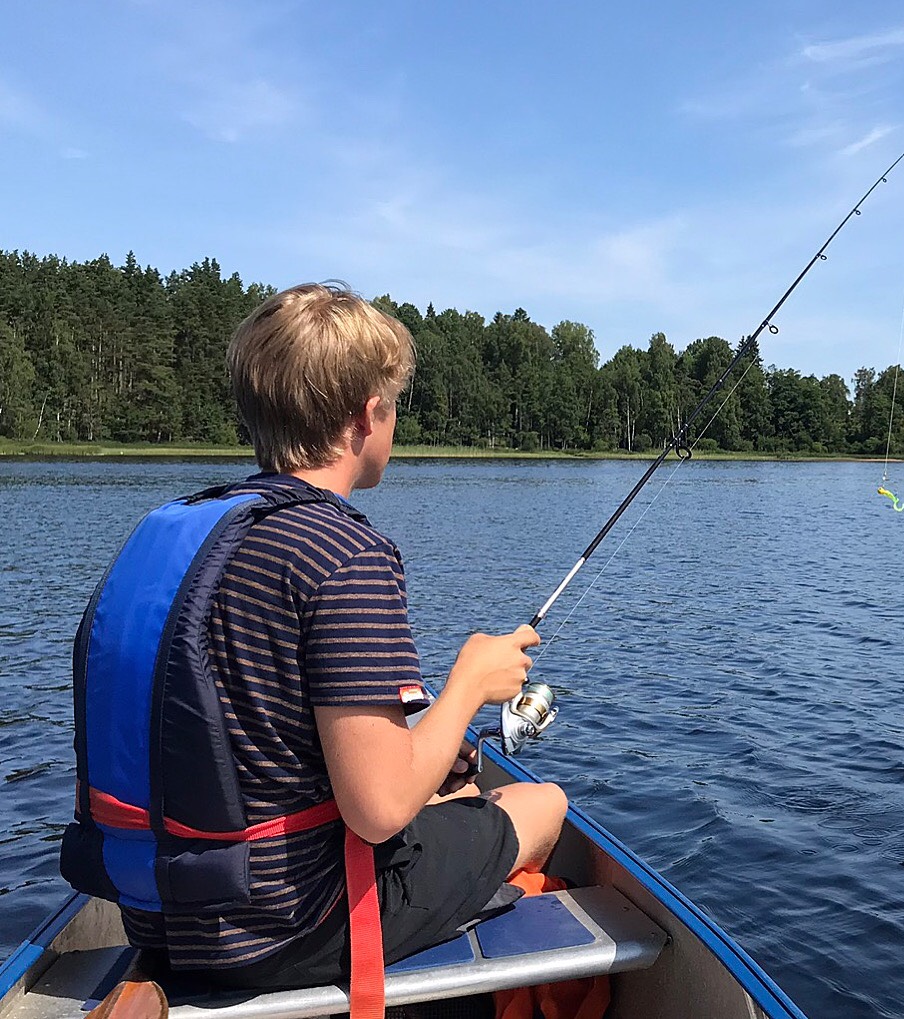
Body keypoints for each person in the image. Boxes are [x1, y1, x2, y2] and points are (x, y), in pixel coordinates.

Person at [62, 282, 567, 990]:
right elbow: (380, 808)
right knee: (541, 805)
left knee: (448, 792)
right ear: (368, 415)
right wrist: (469, 686)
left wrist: (427, 754)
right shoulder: (344, 551)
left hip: (154, 912)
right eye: (393, 404)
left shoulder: (188, 529)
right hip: (286, 923)